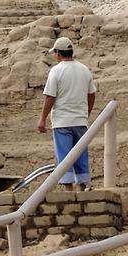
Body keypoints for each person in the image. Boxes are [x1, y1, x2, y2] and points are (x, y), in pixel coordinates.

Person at [37, 37, 97, 191]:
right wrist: (86, 113)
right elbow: (91, 94)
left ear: (58, 53)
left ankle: (69, 191)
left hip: (62, 121)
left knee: (64, 156)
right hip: (80, 120)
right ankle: (83, 185)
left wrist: (42, 118)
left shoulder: (56, 71)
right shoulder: (84, 69)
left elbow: (50, 96)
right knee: (80, 153)